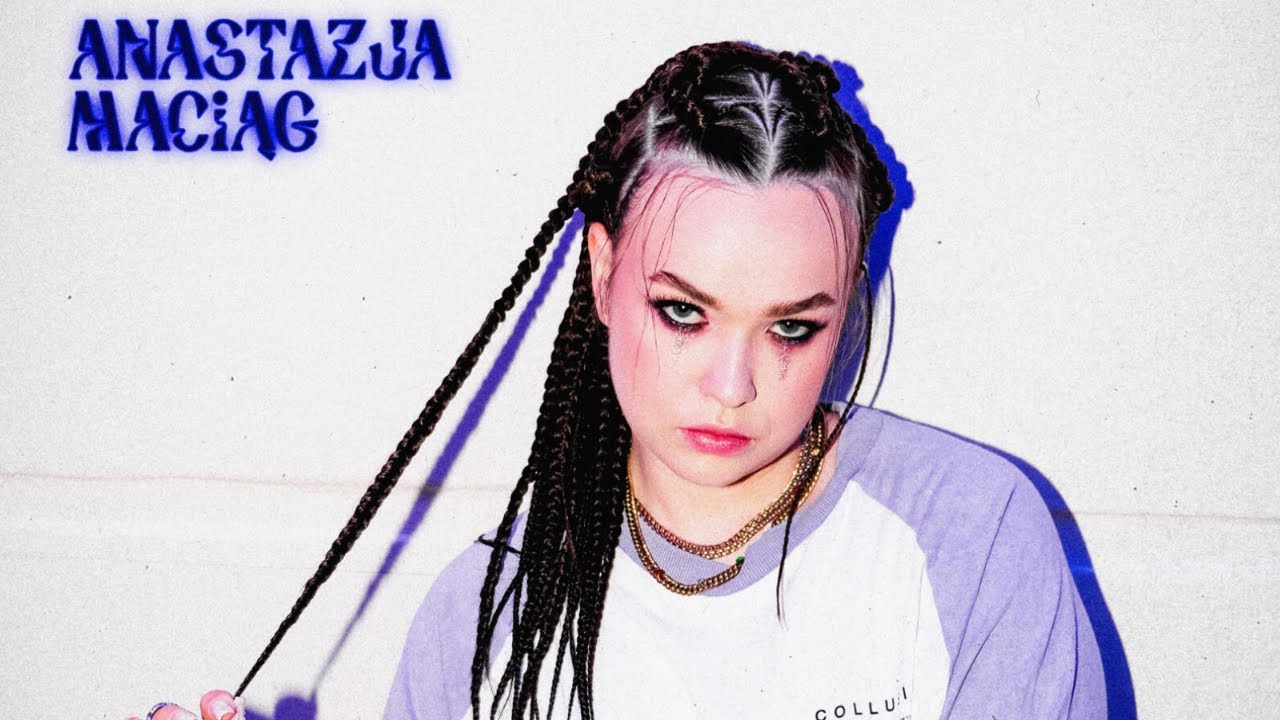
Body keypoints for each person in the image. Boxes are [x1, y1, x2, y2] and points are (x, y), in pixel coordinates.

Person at [133, 41, 1105, 720]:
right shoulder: (489, 618)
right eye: (682, 311)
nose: (732, 384)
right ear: (602, 273)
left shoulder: (968, 537)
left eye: (791, 327)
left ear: (846, 307)